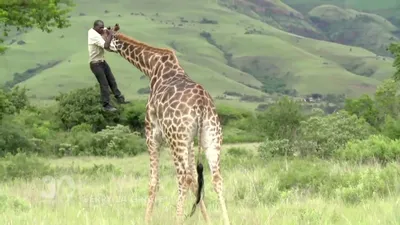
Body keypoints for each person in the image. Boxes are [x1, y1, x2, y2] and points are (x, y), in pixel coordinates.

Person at [88, 20, 129, 112]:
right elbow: (106, 46)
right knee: (104, 84)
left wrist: (114, 29)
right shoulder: (93, 36)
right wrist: (110, 34)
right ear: (95, 27)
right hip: (95, 64)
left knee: (112, 80)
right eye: (100, 28)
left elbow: (106, 30)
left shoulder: (97, 30)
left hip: (102, 62)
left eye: (103, 27)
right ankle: (106, 105)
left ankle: (120, 99)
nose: (102, 29)